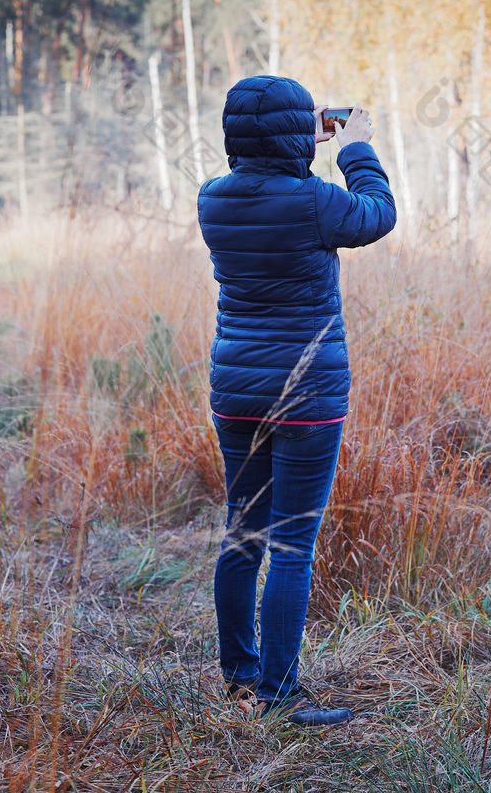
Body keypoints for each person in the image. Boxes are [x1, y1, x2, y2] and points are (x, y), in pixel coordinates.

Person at [197, 74, 396, 728]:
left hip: (236, 392)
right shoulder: (316, 202)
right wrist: (354, 147)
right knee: (291, 546)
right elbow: (376, 214)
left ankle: (239, 680)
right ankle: (280, 698)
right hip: (307, 396)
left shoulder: (212, 200)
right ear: (292, 133)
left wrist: (293, 138)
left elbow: (266, 173)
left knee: (243, 532)